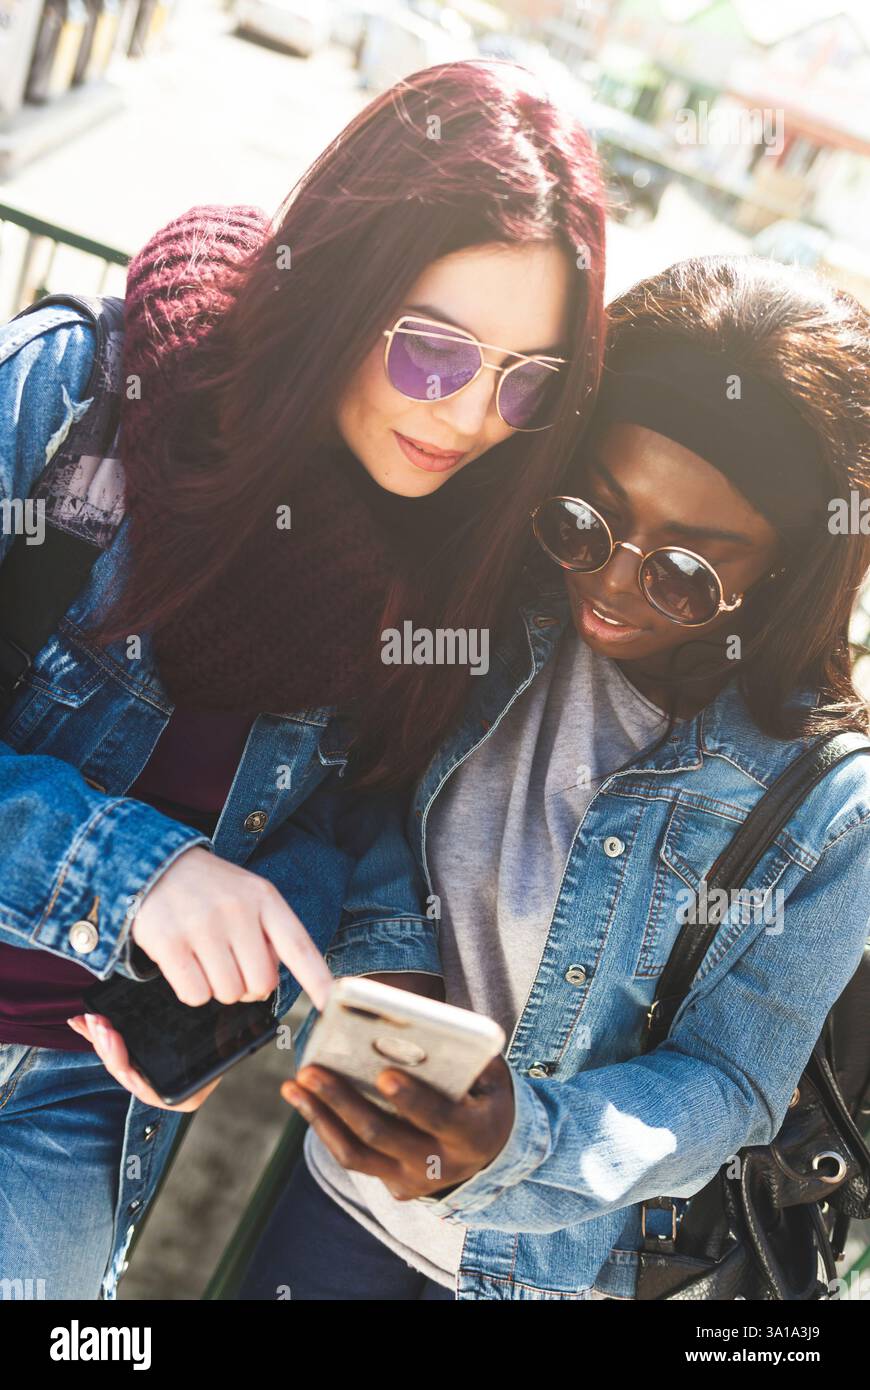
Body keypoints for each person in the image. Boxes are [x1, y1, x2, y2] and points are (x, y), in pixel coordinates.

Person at [0, 58, 606, 1300]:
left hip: (75, 1100)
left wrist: (257, 965)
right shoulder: (78, 400)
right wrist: (135, 872)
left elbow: (340, 818)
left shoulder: (447, 561)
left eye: (528, 380)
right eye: (435, 351)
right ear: (339, 286)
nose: (471, 417)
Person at [234, 255, 870, 1301]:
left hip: (560, 1280)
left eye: (685, 569)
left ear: (787, 569)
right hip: (341, 1219)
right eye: (589, 519)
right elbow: (369, 797)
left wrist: (511, 1144)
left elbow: (735, 1083)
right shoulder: (485, 612)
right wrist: (398, 985)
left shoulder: (828, 807)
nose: (612, 584)